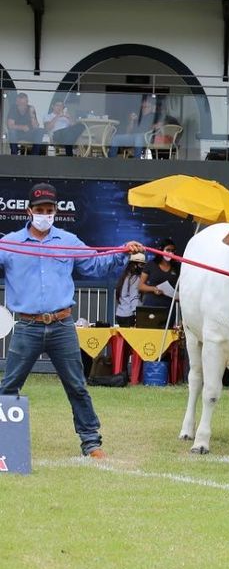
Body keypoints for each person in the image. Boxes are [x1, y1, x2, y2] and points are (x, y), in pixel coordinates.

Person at [0, 182, 143, 458]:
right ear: (29, 211)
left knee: (77, 385)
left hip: (62, 325)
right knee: (9, 387)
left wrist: (122, 252)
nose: (45, 214)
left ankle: (91, 443)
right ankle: (4, 446)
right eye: (39, 209)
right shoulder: (8, 245)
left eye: (49, 209)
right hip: (27, 326)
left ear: (55, 211)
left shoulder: (68, 242)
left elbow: (95, 264)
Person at [139, 239, 179, 309]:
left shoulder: (176, 266)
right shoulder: (151, 264)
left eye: (172, 251)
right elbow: (141, 286)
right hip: (152, 304)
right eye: (168, 250)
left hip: (170, 306)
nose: (170, 253)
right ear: (161, 250)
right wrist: (154, 289)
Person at [115, 252, 145, 326]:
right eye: (141, 265)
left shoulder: (125, 276)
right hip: (129, 315)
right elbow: (134, 297)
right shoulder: (135, 278)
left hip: (120, 313)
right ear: (135, 265)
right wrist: (137, 314)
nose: (143, 267)